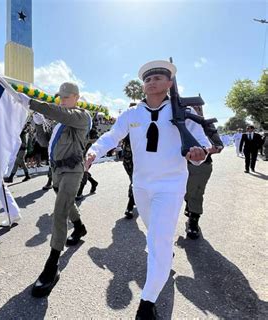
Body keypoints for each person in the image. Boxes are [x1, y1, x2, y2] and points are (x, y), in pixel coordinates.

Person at [85, 60, 211, 319]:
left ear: (170, 83)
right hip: (141, 186)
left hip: (171, 185)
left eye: (158, 77)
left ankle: (147, 301)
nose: (151, 82)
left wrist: (198, 154)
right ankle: (163, 259)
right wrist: (93, 152)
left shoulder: (184, 113)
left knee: (158, 240)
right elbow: (111, 136)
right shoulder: (131, 115)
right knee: (154, 235)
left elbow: (202, 147)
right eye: (147, 79)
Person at [20, 82, 92, 298]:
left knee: (59, 211)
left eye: (66, 97)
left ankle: (52, 266)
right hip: (57, 171)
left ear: (77, 97)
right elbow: (44, 142)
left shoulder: (81, 116)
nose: (62, 100)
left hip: (72, 170)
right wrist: (40, 124)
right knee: (66, 204)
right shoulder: (60, 122)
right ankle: (79, 227)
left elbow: (59, 112)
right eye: (60, 97)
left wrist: (32, 103)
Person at [184, 105, 224, 240]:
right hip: (179, 166)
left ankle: (193, 222)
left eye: (198, 107)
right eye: (192, 107)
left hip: (201, 167)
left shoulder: (207, 124)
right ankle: (189, 206)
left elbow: (218, 145)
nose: (196, 109)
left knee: (196, 193)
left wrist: (207, 150)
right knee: (185, 192)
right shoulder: (181, 120)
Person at [121, 102, 138, 218]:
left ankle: (130, 205)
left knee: (135, 180)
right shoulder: (125, 124)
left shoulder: (141, 124)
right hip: (127, 158)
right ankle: (134, 198)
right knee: (132, 180)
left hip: (139, 160)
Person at [75, 123, 99, 201]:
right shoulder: (80, 129)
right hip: (78, 155)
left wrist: (87, 141)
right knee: (81, 172)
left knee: (84, 173)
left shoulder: (91, 130)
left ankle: (79, 192)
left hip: (87, 156)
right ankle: (94, 182)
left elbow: (96, 140)